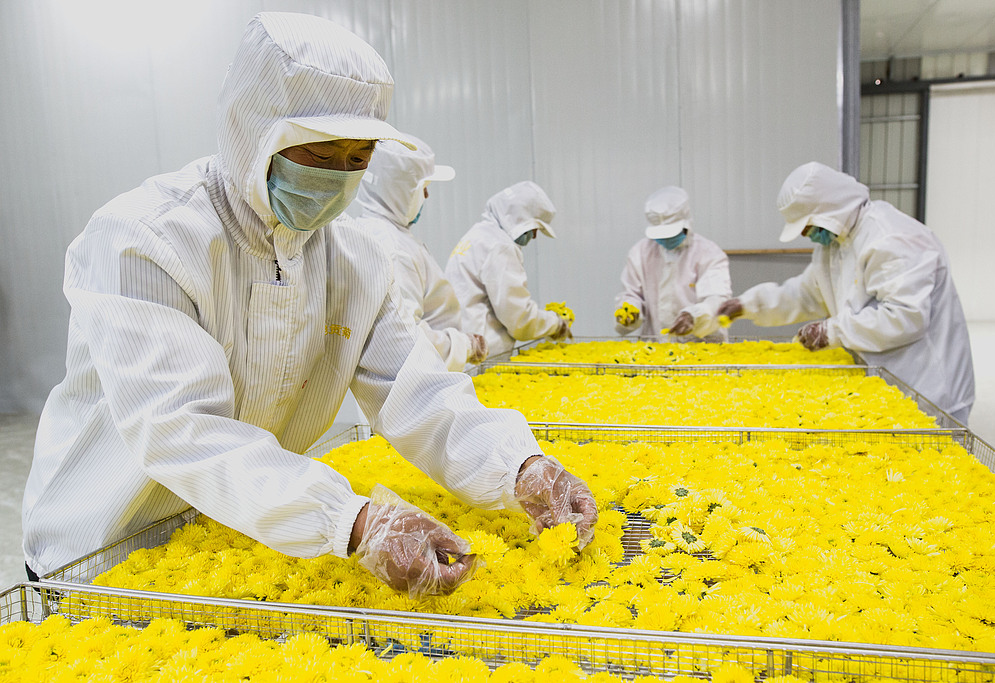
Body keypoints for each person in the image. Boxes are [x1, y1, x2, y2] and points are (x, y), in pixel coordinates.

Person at [22, 12, 597, 598]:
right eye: (321, 152)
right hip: (105, 551)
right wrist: (348, 520)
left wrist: (518, 468)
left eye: (359, 156)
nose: (339, 176)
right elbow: (182, 428)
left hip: (229, 543)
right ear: (256, 131)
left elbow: (419, 393)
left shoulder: (357, 261)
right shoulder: (148, 239)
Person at [718, 161, 974, 423]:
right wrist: (749, 304)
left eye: (808, 225)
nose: (806, 234)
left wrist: (833, 331)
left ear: (830, 211)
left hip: (928, 387)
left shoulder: (891, 238)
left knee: (935, 459)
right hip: (885, 383)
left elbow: (906, 317)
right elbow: (806, 293)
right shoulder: (835, 246)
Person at [353, 136, 487, 372]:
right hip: (418, 387)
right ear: (400, 190)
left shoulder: (373, 232)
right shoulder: (393, 247)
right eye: (423, 188)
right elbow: (406, 338)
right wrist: (464, 345)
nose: (426, 197)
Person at [444, 181, 570, 358]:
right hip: (485, 354)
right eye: (534, 228)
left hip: (462, 348)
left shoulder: (479, 235)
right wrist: (555, 323)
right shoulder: (500, 246)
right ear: (519, 220)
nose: (534, 236)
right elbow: (519, 318)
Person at [614, 186, 732, 341]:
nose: (666, 239)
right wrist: (630, 311)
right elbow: (631, 294)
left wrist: (695, 316)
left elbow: (717, 300)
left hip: (701, 348)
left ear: (686, 224)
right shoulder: (640, 252)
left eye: (671, 233)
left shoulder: (708, 253)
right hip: (655, 348)